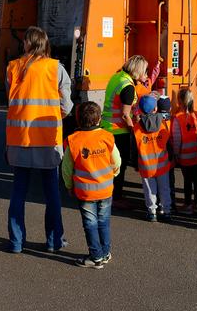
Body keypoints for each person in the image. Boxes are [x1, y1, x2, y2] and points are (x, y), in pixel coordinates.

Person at [5, 26, 73, 253]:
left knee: (18, 191)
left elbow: (12, 100)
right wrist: (55, 116)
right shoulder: (56, 68)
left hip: (19, 137)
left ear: (28, 43)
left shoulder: (12, 67)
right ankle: (54, 242)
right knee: (52, 191)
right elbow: (66, 105)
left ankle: (16, 243)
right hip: (47, 137)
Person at [62, 102, 121, 269]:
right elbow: (117, 161)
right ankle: (105, 253)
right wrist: (113, 174)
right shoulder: (107, 137)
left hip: (85, 192)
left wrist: (69, 186)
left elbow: (66, 169)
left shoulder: (73, 141)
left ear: (78, 121)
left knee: (90, 224)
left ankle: (96, 257)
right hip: (105, 189)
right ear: (99, 120)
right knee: (104, 222)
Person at [101, 55, 148, 210]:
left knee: (110, 165)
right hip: (118, 130)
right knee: (119, 166)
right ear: (138, 71)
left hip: (106, 127)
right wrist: (133, 131)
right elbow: (124, 115)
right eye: (145, 71)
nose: (146, 75)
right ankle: (116, 198)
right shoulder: (128, 87)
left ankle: (112, 194)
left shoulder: (118, 76)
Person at [131, 94, 173, 222]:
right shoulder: (163, 122)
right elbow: (168, 143)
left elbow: (134, 149)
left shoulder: (136, 128)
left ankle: (152, 212)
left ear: (140, 109)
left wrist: (135, 165)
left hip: (146, 165)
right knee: (164, 188)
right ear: (156, 108)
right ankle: (166, 211)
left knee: (150, 190)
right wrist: (170, 158)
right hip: (162, 163)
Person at [172, 88, 197, 214]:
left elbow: (177, 139)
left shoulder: (177, 118)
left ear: (180, 101)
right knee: (196, 179)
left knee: (187, 180)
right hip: (196, 153)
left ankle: (187, 205)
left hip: (185, 154)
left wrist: (176, 153)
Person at [157, 95, 176, 213]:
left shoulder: (156, 120)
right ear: (170, 109)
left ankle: (160, 205)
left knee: (160, 184)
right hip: (171, 158)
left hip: (159, 158)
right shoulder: (173, 120)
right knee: (171, 183)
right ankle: (171, 204)